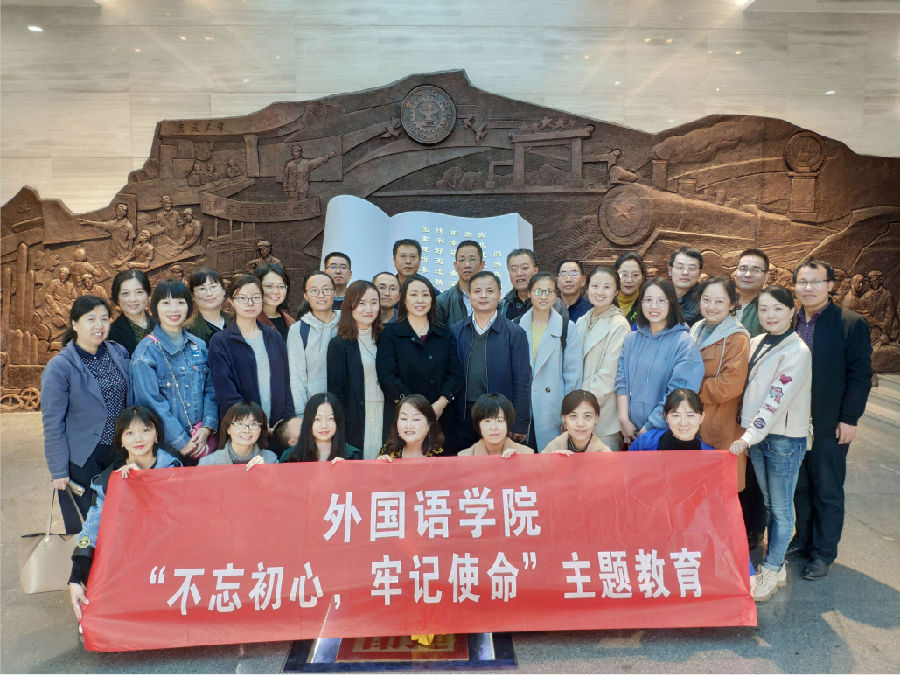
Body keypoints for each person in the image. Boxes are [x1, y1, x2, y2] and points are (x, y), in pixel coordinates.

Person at [728, 284, 812, 601]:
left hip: (783, 440)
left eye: (778, 308)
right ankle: (777, 564)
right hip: (759, 437)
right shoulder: (758, 341)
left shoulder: (797, 352)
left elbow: (776, 400)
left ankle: (773, 567)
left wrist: (747, 436)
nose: (770, 315)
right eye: (763, 309)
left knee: (780, 507)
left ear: (792, 311)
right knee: (768, 504)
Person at [790, 259, 872, 580]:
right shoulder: (789, 320)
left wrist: (849, 418)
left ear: (830, 285)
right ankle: (803, 540)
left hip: (828, 423)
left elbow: (860, 375)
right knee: (799, 487)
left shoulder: (849, 323)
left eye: (816, 282)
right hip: (793, 422)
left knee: (827, 488)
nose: (808, 288)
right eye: (803, 282)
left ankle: (823, 553)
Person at [68, 406, 182, 622]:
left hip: (169, 557)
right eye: (129, 433)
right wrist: (76, 577)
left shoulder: (174, 469)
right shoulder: (108, 479)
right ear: (121, 440)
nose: (138, 438)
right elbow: (91, 528)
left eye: (145, 430)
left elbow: (179, 517)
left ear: (157, 435)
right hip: (128, 559)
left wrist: (143, 484)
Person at [41, 296, 131, 533]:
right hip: (83, 457)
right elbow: (53, 423)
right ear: (75, 323)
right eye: (91, 319)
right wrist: (58, 470)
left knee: (121, 520)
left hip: (119, 452)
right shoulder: (60, 366)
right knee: (90, 525)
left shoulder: (118, 352)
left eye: (104, 319)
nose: (99, 326)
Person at [129, 279, 218, 466]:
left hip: (203, 444)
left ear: (188, 306)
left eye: (180, 302)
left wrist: (207, 428)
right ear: (155, 307)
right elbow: (151, 403)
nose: (174, 309)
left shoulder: (199, 345)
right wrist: (181, 441)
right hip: (166, 449)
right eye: (166, 303)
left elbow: (211, 390)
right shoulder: (146, 353)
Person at [376, 275, 464, 452]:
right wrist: (415, 410)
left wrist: (440, 404)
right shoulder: (391, 334)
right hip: (404, 420)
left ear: (432, 299)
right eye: (414, 294)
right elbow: (388, 376)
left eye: (425, 295)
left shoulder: (444, 333)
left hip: (441, 417)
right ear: (404, 299)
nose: (420, 300)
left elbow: (455, 374)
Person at [616, 278, 705, 445]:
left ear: (671, 304)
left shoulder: (684, 343)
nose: (654, 306)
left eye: (661, 300)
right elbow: (622, 381)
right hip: (630, 431)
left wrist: (649, 428)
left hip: (666, 434)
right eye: (648, 300)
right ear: (641, 304)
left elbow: (680, 392)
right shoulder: (631, 340)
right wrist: (623, 420)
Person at [450, 271, 531, 450]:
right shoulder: (456, 331)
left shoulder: (514, 333)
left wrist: (519, 422)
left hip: (499, 417)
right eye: (477, 291)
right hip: (462, 417)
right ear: (469, 295)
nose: (483, 296)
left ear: (499, 294)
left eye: (490, 291)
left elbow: (522, 381)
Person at [209, 274, 293, 427]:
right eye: (242, 298)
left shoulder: (274, 337)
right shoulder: (221, 341)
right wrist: (255, 425)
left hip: (278, 427)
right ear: (231, 301)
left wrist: (285, 423)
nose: (250, 303)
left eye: (256, 297)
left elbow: (287, 383)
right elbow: (226, 393)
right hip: (243, 429)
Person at [327, 281, 390, 459]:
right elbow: (336, 394)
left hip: (386, 414)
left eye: (373, 302)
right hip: (355, 417)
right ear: (350, 306)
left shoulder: (387, 338)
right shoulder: (339, 344)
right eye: (361, 303)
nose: (368, 309)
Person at [518, 272, 581, 450]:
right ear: (529, 293)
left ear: (555, 295)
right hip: (524, 410)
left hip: (553, 411)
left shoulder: (566, 328)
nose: (544, 296)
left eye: (549, 292)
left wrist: (569, 414)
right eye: (538, 291)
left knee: (551, 460)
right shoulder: (516, 326)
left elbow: (573, 376)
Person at [689, 277, 750, 453]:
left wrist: (689, 389)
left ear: (732, 304)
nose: (711, 306)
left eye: (719, 301)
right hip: (691, 422)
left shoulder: (737, 338)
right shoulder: (696, 329)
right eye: (706, 299)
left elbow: (730, 384)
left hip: (720, 423)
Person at [577, 266, 631, 451]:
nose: (600, 292)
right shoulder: (582, 321)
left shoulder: (619, 325)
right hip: (578, 416)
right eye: (595, 286)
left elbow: (608, 376)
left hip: (603, 418)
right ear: (587, 288)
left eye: (607, 287)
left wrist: (579, 406)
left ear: (616, 291)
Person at [287, 271, 340, 416]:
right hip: (314, 412)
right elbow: (297, 379)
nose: (321, 295)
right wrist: (301, 415)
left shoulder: (347, 323)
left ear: (334, 292)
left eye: (326, 289)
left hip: (346, 410)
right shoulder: (298, 330)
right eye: (314, 290)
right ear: (305, 295)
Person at [281, 393, 361, 462]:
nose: (324, 425)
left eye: (330, 418)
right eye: (317, 419)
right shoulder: (290, 456)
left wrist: (346, 468)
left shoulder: (352, 455)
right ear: (308, 422)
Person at [629, 388, 714, 450]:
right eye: (676, 415)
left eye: (690, 415)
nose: (683, 423)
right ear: (666, 417)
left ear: (701, 417)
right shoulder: (644, 443)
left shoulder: (710, 456)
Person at [199, 401, 278, 466]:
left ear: (261, 429)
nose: (246, 430)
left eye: (253, 424)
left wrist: (267, 472)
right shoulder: (208, 463)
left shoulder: (270, 460)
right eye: (240, 424)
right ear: (228, 429)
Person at [459, 393, 533, 457]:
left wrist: (519, 461)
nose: (493, 427)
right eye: (487, 421)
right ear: (478, 425)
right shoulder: (464, 457)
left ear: (508, 423)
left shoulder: (526, 454)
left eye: (499, 421)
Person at [502, 248, 566, 321]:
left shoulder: (555, 303)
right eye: (514, 269)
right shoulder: (502, 305)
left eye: (524, 268)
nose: (519, 273)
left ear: (535, 270)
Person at [377, 395, 445, 459]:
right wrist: (381, 465)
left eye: (416, 419)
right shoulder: (388, 451)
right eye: (404, 419)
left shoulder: (441, 455)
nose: (408, 425)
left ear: (429, 424)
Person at [435, 240, 485, 327]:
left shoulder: (494, 301)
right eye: (462, 260)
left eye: (472, 259)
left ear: (482, 265)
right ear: (455, 265)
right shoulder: (442, 302)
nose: (467, 265)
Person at [543, 390, 611, 453]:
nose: (580, 424)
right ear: (564, 418)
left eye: (587, 416)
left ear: (596, 418)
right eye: (573, 416)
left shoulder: (605, 453)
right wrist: (553, 459)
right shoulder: (552, 449)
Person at [107, 269, 152, 355]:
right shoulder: (111, 333)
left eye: (139, 292)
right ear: (117, 298)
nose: (133, 299)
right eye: (125, 293)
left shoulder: (162, 325)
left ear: (148, 294)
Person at [184, 267, 230, 346]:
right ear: (193, 295)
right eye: (202, 289)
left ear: (223, 291)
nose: (209, 293)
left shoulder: (236, 322)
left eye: (213, 287)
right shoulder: (189, 329)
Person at [734, 248, 770, 337]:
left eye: (755, 270)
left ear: (766, 277)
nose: (748, 275)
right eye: (743, 269)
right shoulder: (724, 302)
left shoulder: (770, 308)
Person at [254, 263, 294, 341]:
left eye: (281, 286)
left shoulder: (291, 322)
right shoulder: (248, 322)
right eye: (269, 286)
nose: (276, 291)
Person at [668, 246, 704, 326]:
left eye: (691, 268)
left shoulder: (705, 302)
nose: (685, 272)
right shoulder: (660, 295)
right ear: (670, 271)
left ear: (699, 273)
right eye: (680, 267)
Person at [614, 252, 647, 326]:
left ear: (642, 277)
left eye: (635, 275)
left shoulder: (648, 304)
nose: (629, 280)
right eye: (624, 274)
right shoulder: (606, 301)